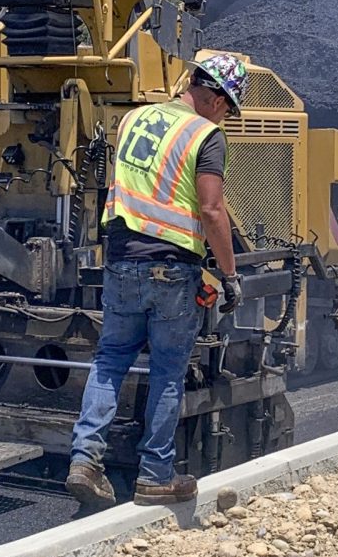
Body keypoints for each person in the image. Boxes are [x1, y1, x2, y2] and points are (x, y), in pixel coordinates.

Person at [66, 53, 249, 509]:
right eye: (227, 105)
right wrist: (229, 275)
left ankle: (85, 461)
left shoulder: (133, 118)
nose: (225, 114)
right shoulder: (206, 135)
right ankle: (154, 475)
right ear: (211, 94)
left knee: (110, 360)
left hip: (122, 257)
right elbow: (211, 210)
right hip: (171, 268)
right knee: (168, 372)